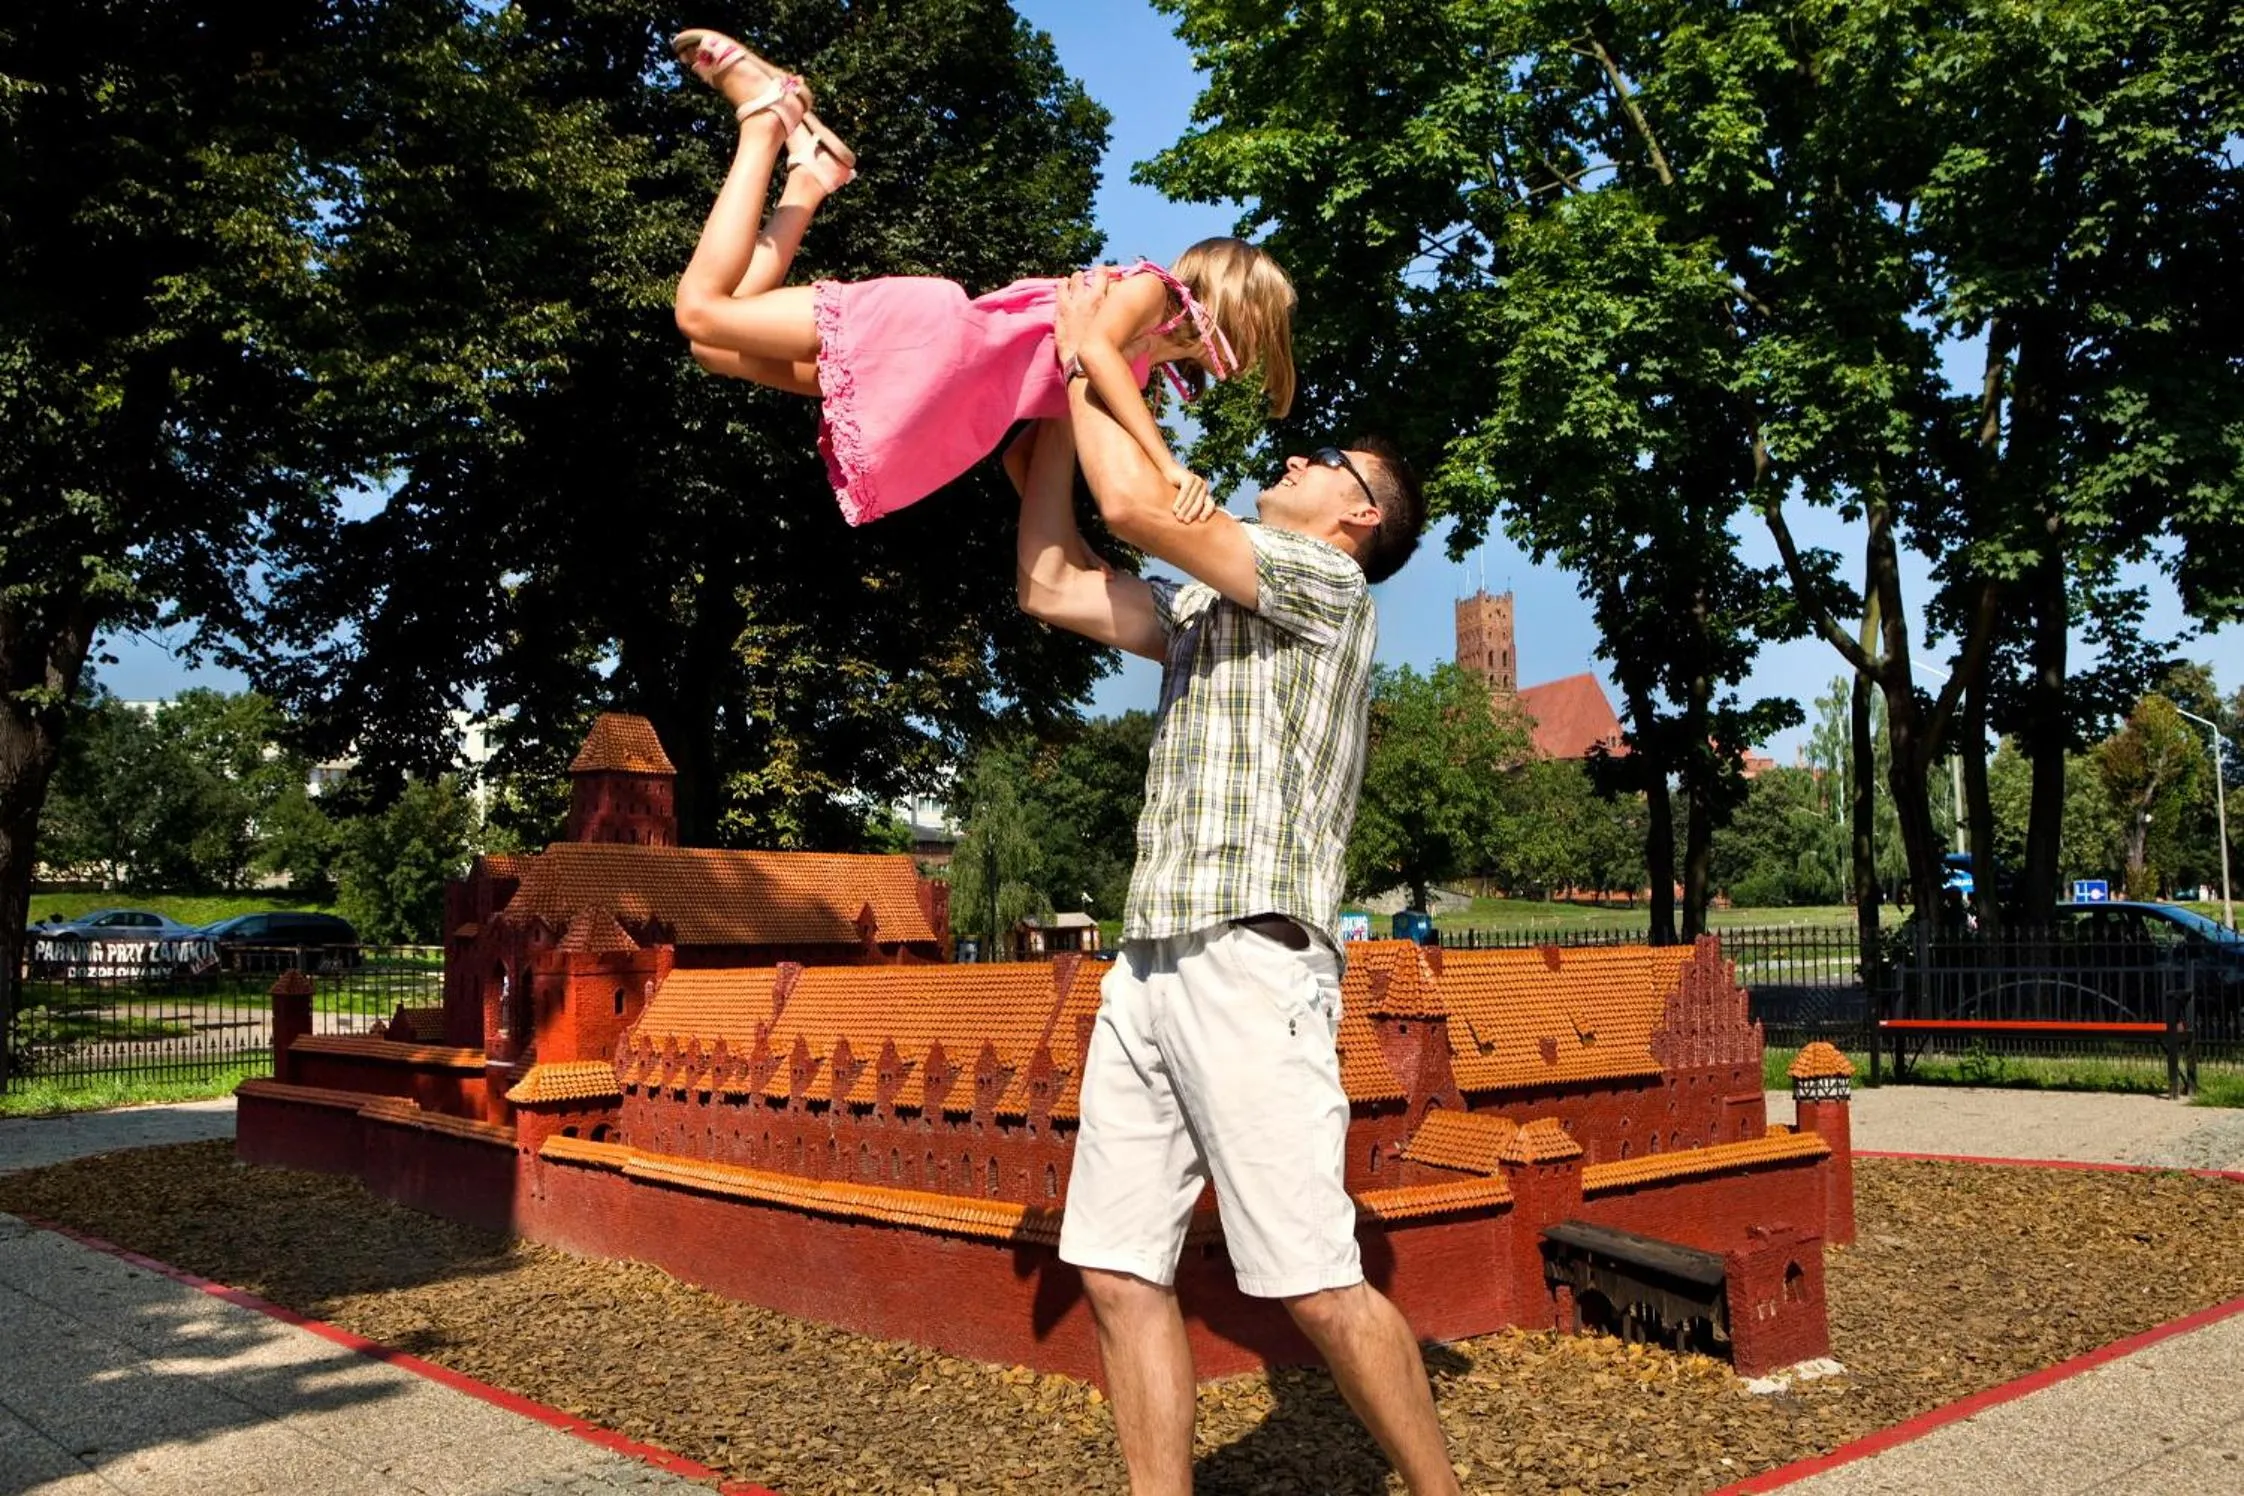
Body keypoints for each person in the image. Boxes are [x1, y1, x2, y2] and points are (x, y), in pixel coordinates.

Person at [1010, 271, 1458, 1496]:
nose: (1299, 457)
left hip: (1253, 960)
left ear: (1357, 518)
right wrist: (1048, 389)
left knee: (1312, 1278)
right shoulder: (1217, 601)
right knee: (1111, 1264)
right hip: (1151, 957)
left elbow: (1134, 501)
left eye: (1327, 461)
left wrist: (1093, 340)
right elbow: (1050, 573)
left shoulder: (1325, 585)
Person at [668, 29, 1297, 526]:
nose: (1259, 352)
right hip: (929, 342)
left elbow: (1031, 454)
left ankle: (811, 177)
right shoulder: (1151, 292)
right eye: (1264, 331)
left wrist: (1071, 517)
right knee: (701, 314)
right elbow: (1094, 350)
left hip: (938, 393)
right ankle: (767, 124)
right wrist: (1169, 469)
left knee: (715, 349)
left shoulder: (1142, 377)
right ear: (1237, 304)